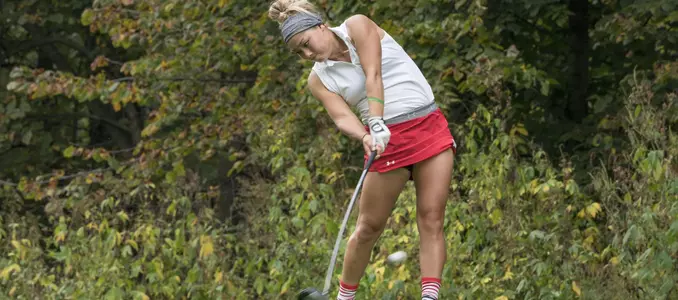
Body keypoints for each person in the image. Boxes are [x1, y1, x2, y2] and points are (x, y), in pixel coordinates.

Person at [268, 1, 457, 299]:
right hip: (386, 143)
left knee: (431, 218)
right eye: (298, 53)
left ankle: (430, 297)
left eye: (305, 44)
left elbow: (374, 75)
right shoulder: (318, 79)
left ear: (319, 26)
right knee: (368, 226)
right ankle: (345, 297)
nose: (306, 54)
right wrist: (365, 136)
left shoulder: (357, 26)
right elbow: (342, 116)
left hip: (427, 127)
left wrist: (377, 120)